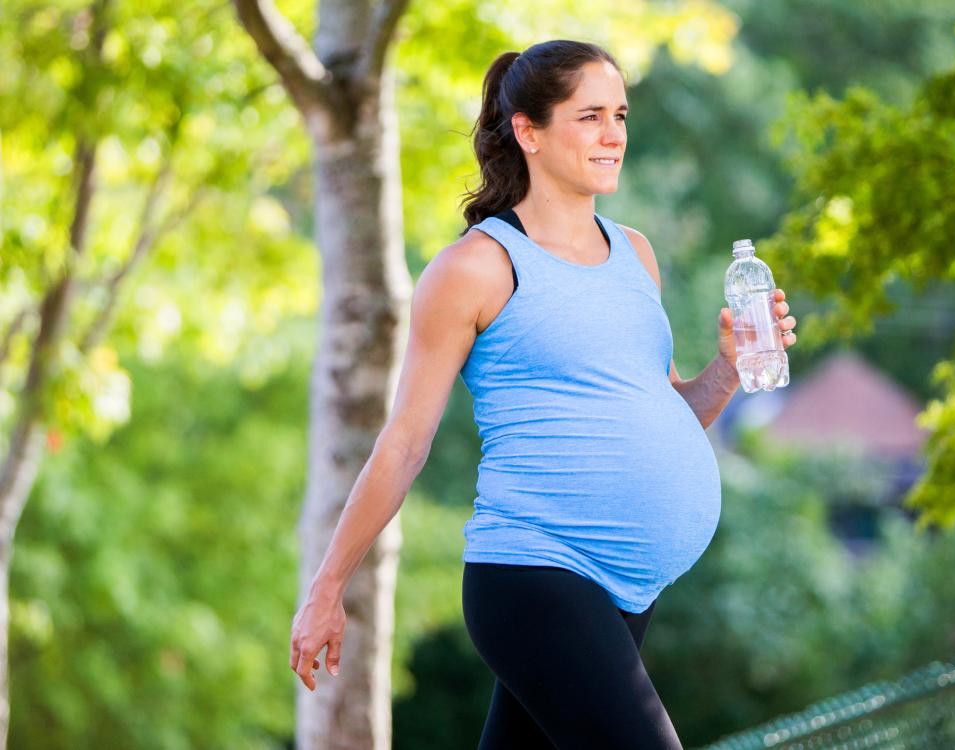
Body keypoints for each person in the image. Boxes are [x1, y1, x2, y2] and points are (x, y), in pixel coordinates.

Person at [289, 39, 797, 749]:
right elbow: (404, 443)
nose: (614, 134)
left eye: (620, 114)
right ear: (528, 131)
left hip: (627, 590)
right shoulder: (477, 267)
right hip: (536, 575)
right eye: (590, 116)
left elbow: (666, 414)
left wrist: (729, 369)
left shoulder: (634, 253)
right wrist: (325, 590)